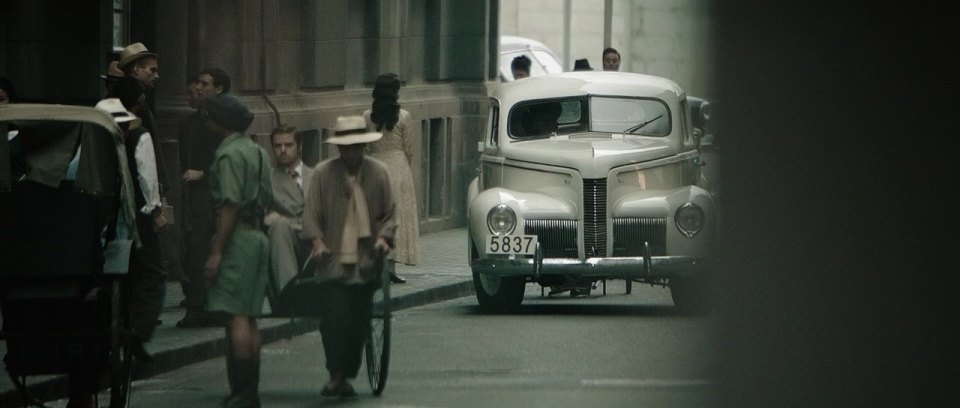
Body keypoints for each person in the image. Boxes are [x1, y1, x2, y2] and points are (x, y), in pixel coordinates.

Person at [303, 115, 396, 398]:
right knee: (333, 321)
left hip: (365, 261)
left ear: (364, 146)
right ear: (339, 148)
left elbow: (389, 216)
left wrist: (383, 239)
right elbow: (311, 216)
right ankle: (335, 375)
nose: (351, 152)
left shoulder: (379, 173)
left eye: (356, 146)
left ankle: (347, 372)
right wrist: (317, 242)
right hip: (332, 261)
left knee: (357, 322)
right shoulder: (323, 173)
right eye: (346, 147)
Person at [202, 93, 272, 408]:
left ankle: (245, 392)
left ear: (219, 121)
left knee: (237, 318)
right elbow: (266, 193)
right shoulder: (256, 150)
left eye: (208, 117)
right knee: (250, 317)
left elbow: (229, 205)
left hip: (238, 239)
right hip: (257, 236)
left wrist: (217, 251)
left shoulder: (228, 155)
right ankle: (250, 390)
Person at [106, 77, 170, 361]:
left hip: (103, 214)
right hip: (135, 215)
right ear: (138, 102)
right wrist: (156, 211)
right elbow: (147, 177)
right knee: (153, 272)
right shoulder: (139, 134)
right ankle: (137, 333)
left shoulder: (98, 130)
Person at [175, 71, 225, 328]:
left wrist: (203, 174)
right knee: (195, 249)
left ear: (219, 89)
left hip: (220, 195)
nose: (199, 88)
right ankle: (196, 305)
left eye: (205, 84)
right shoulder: (188, 123)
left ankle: (214, 307)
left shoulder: (225, 122)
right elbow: (186, 158)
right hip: (197, 197)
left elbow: (228, 160)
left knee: (218, 250)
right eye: (197, 84)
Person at [363, 73, 418, 284]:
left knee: (375, 217)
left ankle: (376, 265)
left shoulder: (367, 116)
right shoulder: (403, 117)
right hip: (398, 166)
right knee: (397, 216)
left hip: (375, 166)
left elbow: (365, 147)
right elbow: (409, 149)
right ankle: (391, 266)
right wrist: (403, 165)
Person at [264, 124, 315, 294]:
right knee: (279, 227)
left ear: (299, 147)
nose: (283, 150)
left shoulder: (317, 175)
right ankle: (290, 294)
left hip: (318, 241)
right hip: (288, 241)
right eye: (278, 146)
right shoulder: (267, 180)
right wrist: (267, 217)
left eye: (288, 145)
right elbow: (257, 210)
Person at [118, 42, 169, 192]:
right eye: (152, 70)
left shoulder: (141, 102)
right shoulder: (131, 104)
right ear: (137, 70)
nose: (156, 75)